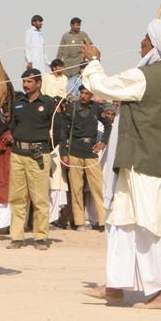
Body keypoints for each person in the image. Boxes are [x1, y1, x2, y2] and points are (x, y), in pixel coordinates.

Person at [80, 19, 161, 310]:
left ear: (154, 45)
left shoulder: (143, 77)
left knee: (146, 227)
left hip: (144, 163)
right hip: (139, 162)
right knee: (121, 221)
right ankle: (115, 286)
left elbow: (101, 86)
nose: (140, 42)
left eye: (145, 38)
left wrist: (93, 61)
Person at [6, 68, 60, 250]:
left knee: (40, 199)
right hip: (18, 155)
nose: (25, 85)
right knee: (16, 198)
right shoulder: (18, 103)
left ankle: (40, 237)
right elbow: (12, 125)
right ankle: (16, 237)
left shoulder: (48, 103)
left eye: (29, 81)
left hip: (38, 155)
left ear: (38, 83)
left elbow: (59, 128)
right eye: (24, 81)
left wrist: (47, 148)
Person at [59, 86, 112, 232]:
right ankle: (79, 221)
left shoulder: (97, 108)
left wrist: (103, 142)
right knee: (76, 188)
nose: (83, 96)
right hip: (74, 151)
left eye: (87, 94)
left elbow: (108, 125)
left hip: (91, 152)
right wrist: (64, 152)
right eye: (81, 93)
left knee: (97, 187)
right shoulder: (71, 108)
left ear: (91, 95)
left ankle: (103, 221)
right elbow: (64, 132)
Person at [56, 17, 93, 93]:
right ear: (71, 25)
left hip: (78, 65)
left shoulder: (83, 34)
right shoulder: (65, 36)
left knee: (77, 85)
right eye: (77, 25)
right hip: (67, 65)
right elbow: (60, 50)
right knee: (66, 87)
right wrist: (57, 64)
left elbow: (90, 45)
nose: (78, 27)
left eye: (79, 25)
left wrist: (86, 57)